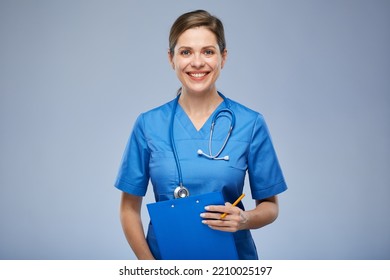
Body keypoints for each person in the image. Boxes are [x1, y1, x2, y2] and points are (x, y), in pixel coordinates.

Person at [114, 9, 287, 260]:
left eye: (208, 51)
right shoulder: (148, 124)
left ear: (223, 57)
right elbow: (128, 209)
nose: (197, 62)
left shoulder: (250, 123)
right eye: (186, 52)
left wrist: (245, 219)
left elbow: (270, 206)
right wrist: (151, 268)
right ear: (171, 58)